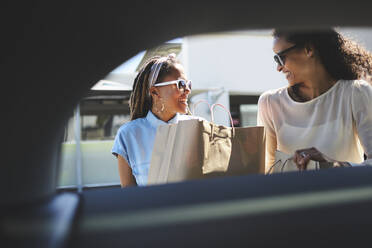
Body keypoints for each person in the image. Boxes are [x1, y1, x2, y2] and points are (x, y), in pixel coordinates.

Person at [257, 28, 372, 173]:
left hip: (343, 194)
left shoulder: (356, 93)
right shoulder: (270, 103)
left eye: (280, 58)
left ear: (308, 49)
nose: (278, 68)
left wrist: (332, 165)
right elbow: (266, 170)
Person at [112, 54, 199, 186]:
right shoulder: (128, 135)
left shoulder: (198, 127)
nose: (187, 90)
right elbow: (130, 195)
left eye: (188, 84)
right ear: (155, 92)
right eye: (180, 84)